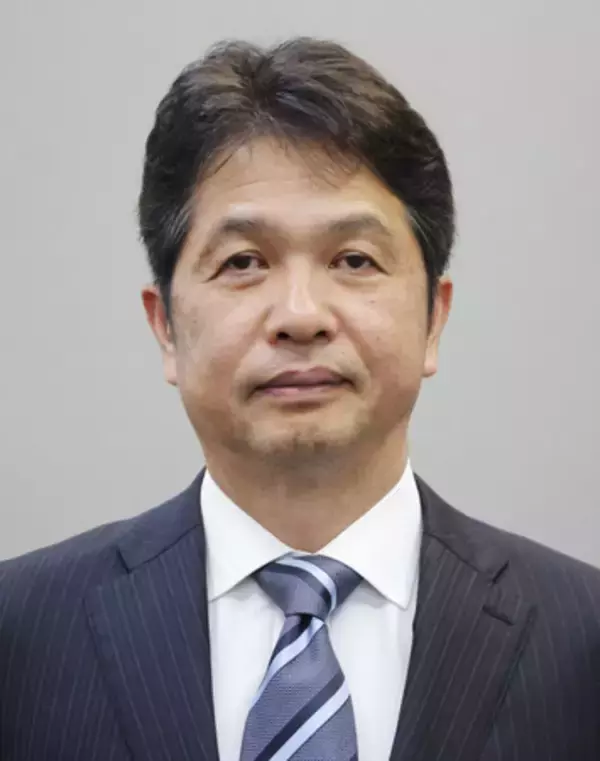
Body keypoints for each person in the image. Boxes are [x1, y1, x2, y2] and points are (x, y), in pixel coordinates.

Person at [0, 36, 598, 761]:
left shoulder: (582, 639)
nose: (301, 315)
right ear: (165, 328)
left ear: (433, 319)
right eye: (243, 262)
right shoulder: (21, 633)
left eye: (354, 259)